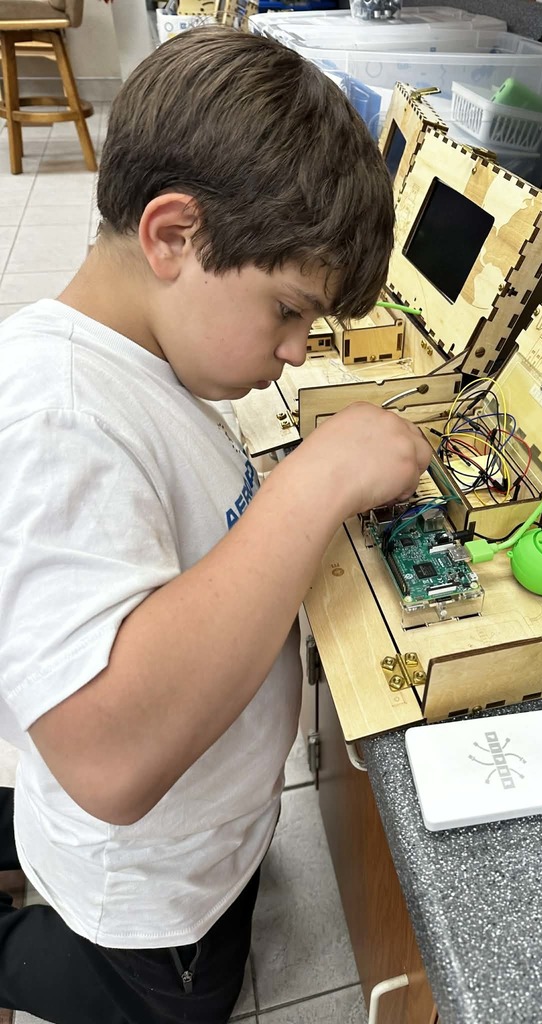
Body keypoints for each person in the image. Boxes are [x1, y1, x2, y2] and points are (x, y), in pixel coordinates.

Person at [0, 26, 432, 1024]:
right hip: (144, 902)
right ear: (173, 236)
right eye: (289, 311)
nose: (294, 351)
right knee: (182, 1000)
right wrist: (314, 481)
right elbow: (108, 759)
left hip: (203, 848)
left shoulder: (147, 359)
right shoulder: (56, 415)